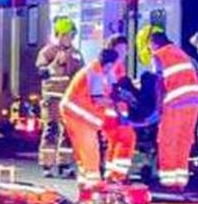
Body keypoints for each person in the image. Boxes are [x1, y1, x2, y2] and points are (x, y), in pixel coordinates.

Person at [61, 34, 136, 189]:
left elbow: (112, 88)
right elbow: (98, 99)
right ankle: (94, 184)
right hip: (78, 115)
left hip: (79, 114)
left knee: (85, 149)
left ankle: (87, 182)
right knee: (90, 149)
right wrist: (116, 101)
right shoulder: (96, 72)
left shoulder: (101, 69)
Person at [147, 31, 198, 191]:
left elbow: (158, 83)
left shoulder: (158, 55)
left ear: (154, 44)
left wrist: (158, 107)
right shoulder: (181, 53)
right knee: (184, 141)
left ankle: (168, 182)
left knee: (168, 141)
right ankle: (180, 181)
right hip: (194, 102)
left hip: (175, 103)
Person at [34, 17, 83, 176]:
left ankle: (65, 164)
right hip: (52, 98)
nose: (69, 38)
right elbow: (42, 73)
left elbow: (81, 76)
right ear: (59, 35)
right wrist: (56, 63)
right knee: (51, 130)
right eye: (66, 35)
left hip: (69, 100)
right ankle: (47, 165)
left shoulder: (76, 54)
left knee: (69, 132)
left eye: (71, 35)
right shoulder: (48, 51)